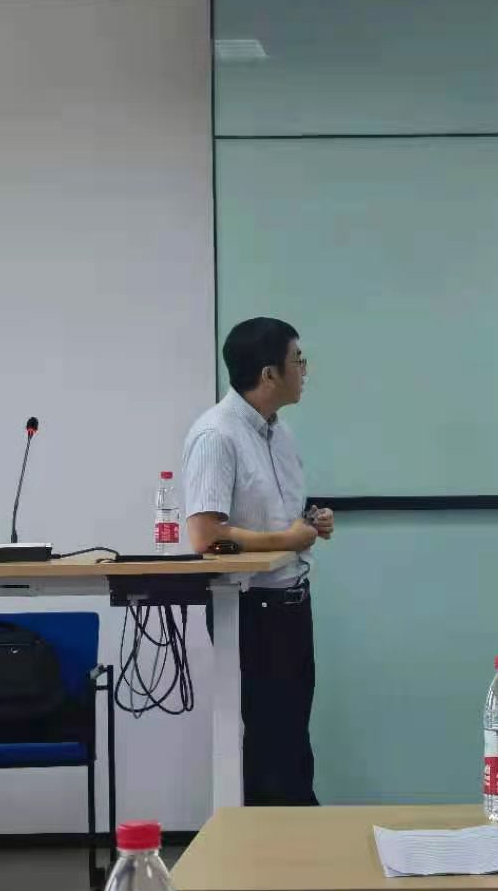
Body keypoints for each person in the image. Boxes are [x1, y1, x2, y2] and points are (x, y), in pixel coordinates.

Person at [181, 317, 334, 806]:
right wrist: (286, 538)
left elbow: (270, 517)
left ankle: (288, 839)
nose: (305, 370)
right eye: (298, 360)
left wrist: (309, 523)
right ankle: (273, 844)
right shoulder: (217, 435)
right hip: (252, 609)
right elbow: (205, 535)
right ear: (269, 374)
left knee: (291, 739)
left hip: (291, 602)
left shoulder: (278, 432)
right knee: (272, 742)